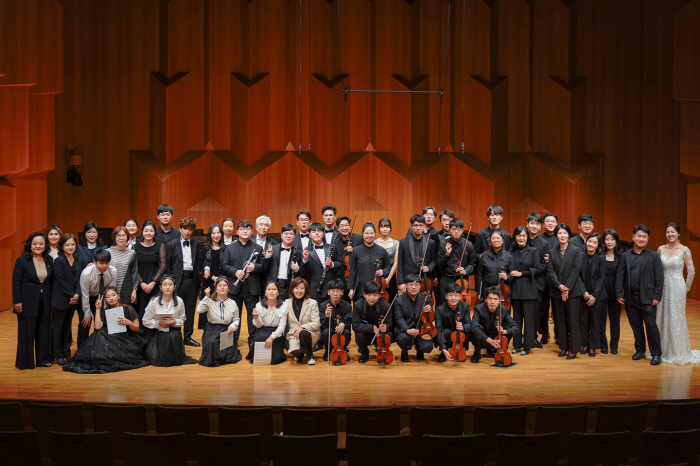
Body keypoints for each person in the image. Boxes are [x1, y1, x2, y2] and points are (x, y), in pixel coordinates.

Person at [63, 286, 149, 374]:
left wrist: (129, 323)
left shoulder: (128, 309)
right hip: (112, 337)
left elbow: (136, 328)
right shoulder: (106, 311)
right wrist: (98, 308)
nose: (111, 298)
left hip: (127, 337)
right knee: (98, 333)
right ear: (105, 300)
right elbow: (97, 326)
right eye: (107, 297)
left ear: (118, 296)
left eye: (113, 295)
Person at [616, 224, 665, 365]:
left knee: (651, 327)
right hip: (631, 298)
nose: (641, 239)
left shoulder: (654, 256)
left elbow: (659, 278)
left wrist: (657, 296)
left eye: (644, 236)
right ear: (633, 237)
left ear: (648, 239)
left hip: (648, 299)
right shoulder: (625, 256)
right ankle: (640, 350)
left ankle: (656, 353)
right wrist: (619, 293)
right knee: (636, 326)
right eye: (639, 236)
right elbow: (620, 276)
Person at [222, 219, 271, 349]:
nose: (245, 231)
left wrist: (255, 267)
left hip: (252, 287)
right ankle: (233, 340)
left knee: (252, 315)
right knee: (233, 315)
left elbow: (263, 266)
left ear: (251, 231)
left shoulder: (258, 248)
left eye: (247, 228)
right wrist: (235, 272)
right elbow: (225, 265)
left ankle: (252, 340)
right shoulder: (230, 248)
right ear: (237, 231)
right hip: (234, 287)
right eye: (242, 229)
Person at [655, 222, 698, 364]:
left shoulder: (684, 249)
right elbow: (656, 270)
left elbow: (691, 271)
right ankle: (662, 350)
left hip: (678, 286)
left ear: (679, 233)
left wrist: (685, 289)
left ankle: (677, 351)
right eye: (667, 232)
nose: (670, 234)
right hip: (663, 286)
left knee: (676, 318)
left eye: (673, 232)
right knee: (663, 316)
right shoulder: (660, 249)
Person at [13, 232, 53, 370]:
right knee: (26, 333)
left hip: (45, 302)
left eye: (41, 243)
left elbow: (50, 282)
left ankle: (43, 360)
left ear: (45, 245)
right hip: (27, 302)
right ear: (30, 244)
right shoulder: (22, 261)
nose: (38, 246)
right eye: (35, 243)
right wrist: (17, 301)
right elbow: (16, 282)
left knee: (43, 332)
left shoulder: (48, 260)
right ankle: (25, 363)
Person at [548, 223, 586, 359]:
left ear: (569, 235)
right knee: (560, 320)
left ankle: (574, 349)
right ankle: (563, 347)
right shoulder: (553, 251)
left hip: (573, 291)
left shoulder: (576, 250)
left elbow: (576, 270)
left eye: (565, 233)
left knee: (573, 320)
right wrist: (559, 286)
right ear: (556, 235)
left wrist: (566, 287)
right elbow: (551, 270)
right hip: (557, 291)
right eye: (559, 233)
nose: (562, 236)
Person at [507, 226, 546, 356]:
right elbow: (509, 270)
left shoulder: (534, 250)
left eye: (524, 236)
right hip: (515, 289)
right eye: (519, 236)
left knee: (529, 319)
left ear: (527, 237)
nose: (521, 238)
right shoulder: (511, 252)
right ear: (515, 237)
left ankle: (527, 346)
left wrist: (522, 273)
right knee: (516, 319)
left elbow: (539, 268)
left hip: (529, 288)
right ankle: (517, 345)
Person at [143, 276, 197, 366]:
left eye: (170, 285)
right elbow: (145, 321)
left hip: (172, 330)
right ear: (160, 287)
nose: (167, 287)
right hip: (157, 331)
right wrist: (159, 323)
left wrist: (173, 322)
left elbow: (182, 320)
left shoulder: (179, 301)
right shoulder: (154, 301)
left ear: (174, 287)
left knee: (173, 336)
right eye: (164, 285)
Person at [165, 216, 203, 347]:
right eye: (185, 228)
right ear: (180, 229)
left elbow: (199, 263)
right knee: (175, 310)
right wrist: (171, 283)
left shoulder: (197, 244)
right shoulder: (171, 244)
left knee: (190, 310)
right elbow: (168, 266)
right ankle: (175, 336)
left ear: (193, 231)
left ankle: (187, 337)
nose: (187, 231)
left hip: (192, 280)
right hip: (177, 281)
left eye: (190, 229)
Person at [51, 233, 83, 365]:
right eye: (67, 245)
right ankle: (58, 355)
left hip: (72, 299)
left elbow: (80, 279)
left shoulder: (78, 260)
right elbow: (61, 281)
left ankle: (67, 353)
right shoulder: (59, 260)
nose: (70, 247)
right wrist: (72, 295)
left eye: (72, 244)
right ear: (62, 246)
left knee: (67, 329)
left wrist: (77, 294)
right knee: (58, 328)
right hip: (60, 299)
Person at [196, 277, 242, 366]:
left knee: (228, 353)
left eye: (225, 285)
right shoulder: (209, 301)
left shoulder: (233, 303)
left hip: (226, 329)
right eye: (219, 285)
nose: (222, 288)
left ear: (228, 288)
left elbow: (236, 319)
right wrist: (206, 297)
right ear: (215, 288)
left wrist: (232, 327)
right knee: (212, 342)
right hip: (212, 329)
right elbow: (199, 310)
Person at [79, 249, 117, 347]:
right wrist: (87, 314)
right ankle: (82, 349)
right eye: (101, 263)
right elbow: (85, 294)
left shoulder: (113, 271)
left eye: (106, 263)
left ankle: (100, 347)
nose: (104, 266)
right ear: (94, 262)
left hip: (103, 297)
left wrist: (106, 309)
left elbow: (110, 291)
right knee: (85, 322)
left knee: (103, 322)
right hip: (88, 297)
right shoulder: (86, 273)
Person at [470, 287, 520, 363]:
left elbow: (516, 327)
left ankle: (498, 350)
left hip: (495, 338)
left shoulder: (503, 309)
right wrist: (488, 339)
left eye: (495, 299)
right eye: (490, 299)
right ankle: (477, 353)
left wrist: (504, 331)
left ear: (500, 300)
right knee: (477, 328)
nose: (492, 302)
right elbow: (473, 327)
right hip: (483, 338)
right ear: (485, 299)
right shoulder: (478, 308)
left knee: (507, 329)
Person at [393, 274, 435, 362]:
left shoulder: (426, 298)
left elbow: (431, 318)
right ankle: (404, 351)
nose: (413, 287)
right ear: (406, 285)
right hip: (406, 330)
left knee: (428, 347)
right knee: (402, 338)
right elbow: (399, 318)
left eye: (416, 284)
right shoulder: (399, 300)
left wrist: (430, 310)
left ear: (420, 286)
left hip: (421, 330)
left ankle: (420, 350)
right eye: (411, 284)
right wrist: (407, 330)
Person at [351, 281, 393, 363]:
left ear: (379, 295)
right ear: (364, 294)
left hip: (380, 334)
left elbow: (390, 323)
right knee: (359, 335)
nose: (372, 298)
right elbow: (355, 326)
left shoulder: (386, 306)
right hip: (366, 333)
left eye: (375, 295)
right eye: (369, 295)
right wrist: (372, 328)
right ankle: (364, 353)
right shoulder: (357, 305)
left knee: (390, 334)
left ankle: (381, 348)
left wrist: (386, 327)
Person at [347, 223, 390, 301]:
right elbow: (353, 271)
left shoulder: (382, 250)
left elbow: (388, 267)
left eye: (371, 233)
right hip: (361, 290)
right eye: (366, 233)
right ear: (362, 234)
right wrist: (351, 288)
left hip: (378, 290)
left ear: (375, 234)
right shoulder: (356, 251)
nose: (369, 236)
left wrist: (383, 271)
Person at [580, 233, 607, 357]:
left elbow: (602, 278)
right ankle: (584, 344)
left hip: (597, 295)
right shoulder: (580, 256)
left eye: (594, 243)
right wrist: (584, 292)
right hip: (583, 294)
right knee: (583, 321)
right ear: (586, 242)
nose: (591, 244)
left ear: (598, 246)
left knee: (595, 322)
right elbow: (578, 276)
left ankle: (593, 346)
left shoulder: (601, 257)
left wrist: (594, 295)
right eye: (589, 241)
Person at [435, 218, 475, 302]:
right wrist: (446, 254)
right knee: (445, 303)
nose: (456, 232)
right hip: (446, 278)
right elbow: (438, 264)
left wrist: (465, 270)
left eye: (459, 229)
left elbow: (472, 264)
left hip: (462, 279)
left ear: (462, 230)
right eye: (453, 229)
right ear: (449, 230)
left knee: (461, 304)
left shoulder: (468, 245)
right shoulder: (443, 244)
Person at [248, 281, 288, 364]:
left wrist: (272, 337)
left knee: (274, 357)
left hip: (276, 332)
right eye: (269, 289)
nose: (271, 291)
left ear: (278, 292)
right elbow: (258, 326)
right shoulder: (259, 305)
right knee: (261, 337)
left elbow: (282, 327)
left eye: (274, 289)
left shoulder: (284, 306)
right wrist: (256, 317)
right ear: (265, 292)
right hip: (263, 329)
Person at [134, 220, 166, 322]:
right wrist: (142, 283)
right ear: (142, 232)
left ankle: (153, 337)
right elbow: (134, 267)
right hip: (140, 285)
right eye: (146, 230)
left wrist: (153, 282)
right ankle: (141, 336)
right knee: (141, 311)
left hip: (155, 285)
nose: (148, 233)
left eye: (151, 231)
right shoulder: (135, 247)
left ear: (155, 232)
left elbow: (162, 266)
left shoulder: (160, 246)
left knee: (154, 311)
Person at [301, 223, 342, 301]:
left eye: (319, 231)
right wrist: (305, 260)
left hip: (331, 290)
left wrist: (332, 264)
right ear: (309, 235)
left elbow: (341, 264)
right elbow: (304, 273)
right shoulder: (306, 251)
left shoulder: (331, 247)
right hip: (315, 290)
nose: (316, 233)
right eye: (314, 231)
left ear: (323, 233)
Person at [285, 277, 320, 365]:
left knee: (303, 333)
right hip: (294, 335)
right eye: (296, 288)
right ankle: (301, 349)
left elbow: (316, 323)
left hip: (310, 333)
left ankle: (310, 356)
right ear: (292, 290)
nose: (299, 291)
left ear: (306, 290)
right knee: (298, 353)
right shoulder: (286, 303)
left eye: (302, 288)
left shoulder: (312, 303)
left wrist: (302, 328)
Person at [397, 215, 435, 293]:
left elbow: (434, 261)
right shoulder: (403, 242)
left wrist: (429, 268)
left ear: (424, 226)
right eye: (415, 225)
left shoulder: (430, 242)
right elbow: (400, 264)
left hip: (424, 280)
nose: (418, 228)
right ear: (411, 227)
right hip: (409, 281)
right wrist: (401, 282)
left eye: (420, 225)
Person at [434, 282, 471, 362]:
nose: (453, 298)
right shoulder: (439, 309)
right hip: (447, 335)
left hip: (460, 335)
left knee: (466, 331)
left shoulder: (465, 307)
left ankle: (462, 349)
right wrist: (443, 348)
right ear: (446, 296)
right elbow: (439, 329)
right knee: (445, 331)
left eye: (456, 295)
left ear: (460, 296)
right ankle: (444, 352)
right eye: (450, 295)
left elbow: (469, 324)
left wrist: (463, 327)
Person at [319, 279, 352, 361]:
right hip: (330, 329)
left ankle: (343, 350)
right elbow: (322, 325)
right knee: (326, 332)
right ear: (328, 292)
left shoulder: (347, 306)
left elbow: (349, 322)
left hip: (341, 330)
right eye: (333, 291)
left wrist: (343, 324)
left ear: (342, 292)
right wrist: (327, 317)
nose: (335, 294)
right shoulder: (323, 305)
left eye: (338, 291)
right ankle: (328, 351)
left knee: (347, 332)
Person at [538, 213, 559, 344]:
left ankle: (559, 334)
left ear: (556, 223)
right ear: (543, 224)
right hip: (542, 278)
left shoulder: (561, 237)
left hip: (557, 279)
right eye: (547, 221)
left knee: (557, 309)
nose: (550, 223)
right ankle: (544, 333)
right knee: (542, 308)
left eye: (553, 221)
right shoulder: (539, 238)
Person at [601, 229, 623, 354]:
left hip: (616, 293)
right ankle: (603, 346)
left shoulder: (621, 256)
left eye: (612, 239)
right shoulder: (599, 254)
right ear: (603, 241)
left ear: (616, 241)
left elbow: (621, 276)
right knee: (601, 320)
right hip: (602, 292)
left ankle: (614, 346)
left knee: (615, 321)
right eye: (607, 239)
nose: (610, 242)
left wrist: (620, 292)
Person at [200, 223, 225, 329]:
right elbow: (200, 266)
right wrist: (212, 277)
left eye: (218, 232)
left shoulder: (226, 249)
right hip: (208, 283)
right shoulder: (204, 249)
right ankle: (207, 335)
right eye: (213, 233)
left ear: (221, 234)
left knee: (220, 310)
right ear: (210, 234)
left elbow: (227, 265)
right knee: (207, 309)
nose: (216, 235)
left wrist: (220, 279)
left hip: (222, 283)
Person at [476, 230, 513, 300]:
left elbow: (512, 275)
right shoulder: (484, 256)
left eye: (498, 238)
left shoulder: (509, 256)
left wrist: (507, 277)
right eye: (493, 238)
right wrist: (479, 292)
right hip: (488, 291)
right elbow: (480, 275)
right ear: (490, 241)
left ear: (502, 241)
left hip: (503, 291)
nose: (496, 240)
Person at [267, 224, 301, 300]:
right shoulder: (272, 249)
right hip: (274, 284)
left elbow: (303, 271)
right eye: (286, 234)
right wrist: (267, 256)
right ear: (281, 235)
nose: (288, 236)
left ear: (295, 236)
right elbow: (265, 267)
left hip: (290, 285)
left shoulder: (298, 252)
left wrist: (297, 269)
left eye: (291, 234)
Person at [107, 226, 139, 305]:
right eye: (118, 235)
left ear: (127, 237)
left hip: (126, 288)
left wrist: (134, 290)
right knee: (112, 315)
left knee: (125, 314)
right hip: (110, 288)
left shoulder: (132, 253)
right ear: (114, 237)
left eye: (123, 235)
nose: (121, 238)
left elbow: (134, 273)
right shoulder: (107, 252)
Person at [376, 218, 400, 302]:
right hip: (377, 274)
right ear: (379, 229)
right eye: (382, 227)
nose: (385, 229)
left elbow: (396, 262)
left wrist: (388, 279)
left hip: (391, 274)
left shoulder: (396, 243)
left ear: (390, 228)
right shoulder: (375, 242)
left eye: (387, 226)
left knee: (392, 299)